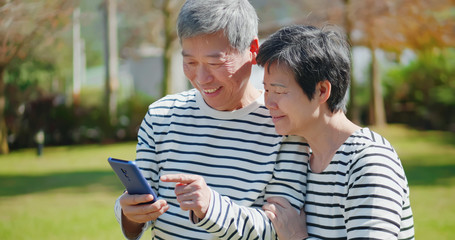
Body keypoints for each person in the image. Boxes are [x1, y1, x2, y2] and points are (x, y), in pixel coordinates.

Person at [114, 1, 308, 239]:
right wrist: (131, 213)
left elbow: (281, 230)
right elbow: (136, 212)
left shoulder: (285, 125)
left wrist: (212, 208)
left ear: (253, 49)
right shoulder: (161, 116)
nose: (202, 78)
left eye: (215, 63)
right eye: (190, 62)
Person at [257, 25, 415, 239]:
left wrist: (296, 237)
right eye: (265, 89)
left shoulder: (369, 161)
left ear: (322, 90)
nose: (268, 102)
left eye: (278, 91)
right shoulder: (298, 157)